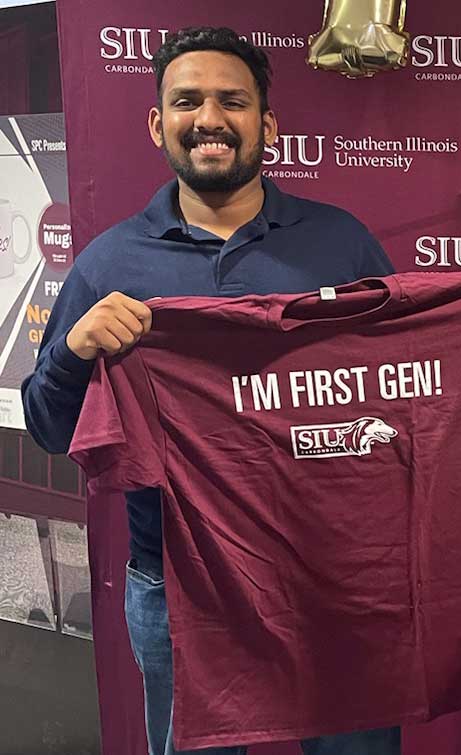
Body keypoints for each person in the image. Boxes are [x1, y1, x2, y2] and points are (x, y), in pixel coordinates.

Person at [21, 27, 400, 755]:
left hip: (330, 580)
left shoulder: (342, 245)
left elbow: (405, 391)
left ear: (268, 124)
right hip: (177, 586)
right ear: (159, 124)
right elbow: (47, 423)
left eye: (233, 101)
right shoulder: (109, 264)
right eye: (188, 101)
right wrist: (74, 351)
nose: (210, 119)